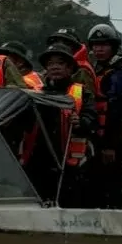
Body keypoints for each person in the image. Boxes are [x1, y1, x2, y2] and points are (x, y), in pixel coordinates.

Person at [38, 42, 96, 208]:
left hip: (74, 165)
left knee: (74, 204)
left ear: (70, 69)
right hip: (43, 163)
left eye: (60, 63)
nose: (55, 67)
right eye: (50, 64)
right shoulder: (36, 94)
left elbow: (92, 122)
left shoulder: (82, 92)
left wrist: (80, 122)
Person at [87, 23, 122, 210]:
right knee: (99, 185)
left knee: (112, 185)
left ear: (113, 47)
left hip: (112, 141)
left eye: (104, 45)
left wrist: (110, 145)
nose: (99, 49)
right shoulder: (98, 71)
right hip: (99, 138)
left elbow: (116, 112)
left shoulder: (118, 75)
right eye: (96, 45)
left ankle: (115, 222)